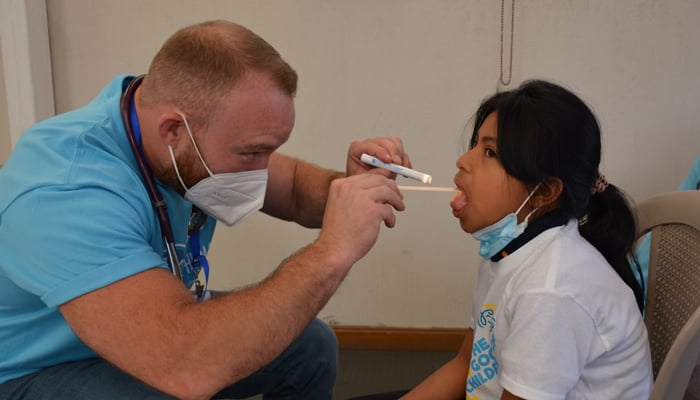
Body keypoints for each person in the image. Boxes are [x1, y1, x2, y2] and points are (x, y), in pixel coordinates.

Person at [0, 20, 410, 400]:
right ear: (173, 130)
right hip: (33, 369)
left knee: (310, 347)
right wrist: (332, 253)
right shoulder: (66, 192)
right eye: (252, 152)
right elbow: (186, 366)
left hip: (141, 327)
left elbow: (299, 190)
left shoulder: (167, 131)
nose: (263, 170)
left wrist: (350, 186)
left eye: (270, 149)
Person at [401, 80, 653, 399]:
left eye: (490, 152)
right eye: (476, 144)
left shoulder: (550, 289)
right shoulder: (509, 251)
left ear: (544, 192)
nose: (463, 161)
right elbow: (465, 364)